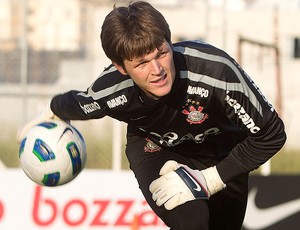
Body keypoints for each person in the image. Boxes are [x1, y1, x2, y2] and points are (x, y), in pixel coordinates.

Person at [18, 1, 286, 229]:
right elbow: (79, 103)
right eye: (142, 63)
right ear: (121, 67)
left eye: (162, 53)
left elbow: (272, 135)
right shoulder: (112, 90)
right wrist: (51, 109)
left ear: (170, 42)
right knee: (191, 220)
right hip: (156, 149)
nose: (157, 69)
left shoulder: (216, 71)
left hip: (222, 154)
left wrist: (211, 179)